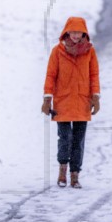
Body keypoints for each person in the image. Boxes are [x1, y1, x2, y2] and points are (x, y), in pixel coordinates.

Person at [41, 16, 101, 188]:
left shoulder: (90, 51)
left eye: (79, 32)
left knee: (78, 140)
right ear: (66, 32)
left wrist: (95, 96)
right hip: (63, 101)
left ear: (84, 33)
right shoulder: (57, 51)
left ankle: (75, 175)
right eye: (73, 32)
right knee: (65, 138)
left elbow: (93, 75)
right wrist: (47, 98)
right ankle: (62, 172)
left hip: (82, 101)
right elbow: (51, 75)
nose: (75, 35)